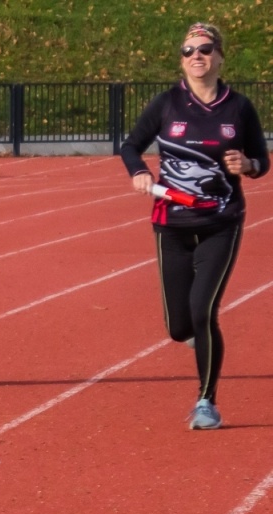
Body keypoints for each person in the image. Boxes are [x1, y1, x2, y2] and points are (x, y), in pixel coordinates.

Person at [121, 22, 267, 430]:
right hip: (172, 223)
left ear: (220, 56)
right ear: (181, 59)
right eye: (188, 51)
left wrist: (250, 165)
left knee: (204, 312)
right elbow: (131, 144)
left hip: (221, 222)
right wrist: (139, 171)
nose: (196, 56)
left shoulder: (238, 107)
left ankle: (207, 402)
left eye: (204, 49)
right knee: (178, 326)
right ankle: (195, 338)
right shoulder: (167, 103)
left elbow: (261, 158)